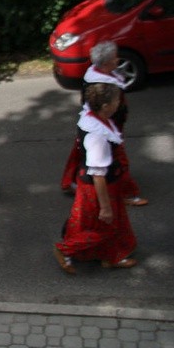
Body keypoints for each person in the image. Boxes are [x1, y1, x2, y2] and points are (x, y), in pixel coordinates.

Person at [54, 82, 138, 274]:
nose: (119, 103)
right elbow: (98, 174)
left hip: (102, 183)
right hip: (100, 186)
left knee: (107, 223)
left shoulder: (92, 118)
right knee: (106, 225)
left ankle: (111, 256)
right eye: (116, 100)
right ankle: (65, 249)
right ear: (106, 106)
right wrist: (106, 206)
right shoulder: (97, 135)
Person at [59, 41, 147, 206]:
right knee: (117, 160)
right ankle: (126, 193)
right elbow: (110, 107)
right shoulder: (105, 86)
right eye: (114, 58)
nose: (117, 60)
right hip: (105, 125)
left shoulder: (94, 74)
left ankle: (74, 182)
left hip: (99, 122)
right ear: (106, 63)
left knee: (84, 154)